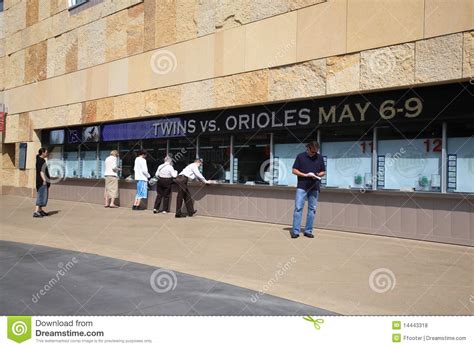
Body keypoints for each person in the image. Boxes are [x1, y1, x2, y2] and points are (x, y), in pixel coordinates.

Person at [290, 141, 326, 238]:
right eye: (313, 151)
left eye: (316, 151)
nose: (314, 153)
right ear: (308, 148)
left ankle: (308, 231)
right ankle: (296, 231)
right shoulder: (300, 156)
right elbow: (294, 170)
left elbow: (323, 172)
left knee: (312, 210)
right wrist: (305, 175)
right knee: (298, 208)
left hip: (314, 187)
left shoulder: (319, 157)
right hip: (302, 186)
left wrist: (318, 175)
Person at [34, 148, 51, 218]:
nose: (47, 154)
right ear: (42, 153)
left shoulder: (42, 160)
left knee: (43, 196)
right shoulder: (40, 161)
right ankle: (36, 211)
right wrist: (44, 180)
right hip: (41, 182)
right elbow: (41, 172)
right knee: (41, 196)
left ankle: (40, 210)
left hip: (43, 182)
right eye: (46, 152)